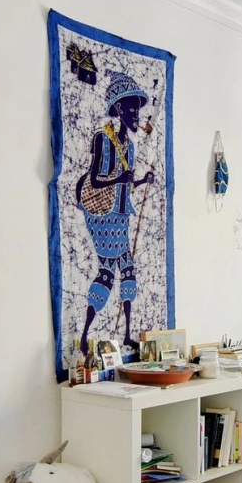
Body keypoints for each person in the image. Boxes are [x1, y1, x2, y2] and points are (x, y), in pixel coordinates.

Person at [77, 71, 154, 355]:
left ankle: (127, 334)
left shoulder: (129, 147)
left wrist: (140, 182)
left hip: (121, 213)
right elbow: (96, 180)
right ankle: (84, 335)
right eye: (132, 108)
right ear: (119, 108)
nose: (136, 115)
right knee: (108, 272)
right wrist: (120, 179)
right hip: (102, 213)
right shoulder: (103, 139)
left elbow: (126, 184)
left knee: (128, 270)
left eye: (138, 109)